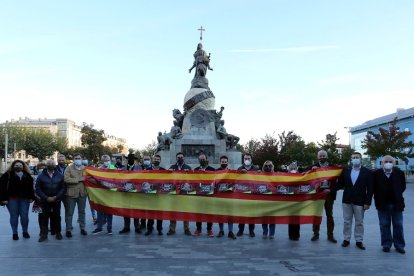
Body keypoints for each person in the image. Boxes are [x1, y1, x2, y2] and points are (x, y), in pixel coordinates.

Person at [331, 152, 373, 250]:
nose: (355, 159)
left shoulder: (367, 172)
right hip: (347, 200)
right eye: (353, 157)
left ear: (361, 159)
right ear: (351, 159)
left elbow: (370, 189)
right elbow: (340, 184)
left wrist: (368, 202)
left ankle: (359, 240)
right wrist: (330, 189)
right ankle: (346, 239)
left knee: (359, 222)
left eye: (357, 157)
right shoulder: (346, 170)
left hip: (360, 201)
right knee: (347, 221)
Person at [374, 155, 406, 254]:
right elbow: (374, 187)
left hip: (397, 204)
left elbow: (403, 187)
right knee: (384, 225)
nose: (388, 163)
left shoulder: (400, 173)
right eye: (386, 161)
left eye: (390, 161)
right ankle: (386, 244)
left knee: (398, 225)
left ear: (394, 163)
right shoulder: (376, 174)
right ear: (382, 163)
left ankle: (399, 245)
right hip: (382, 204)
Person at [0, 160, 35, 240]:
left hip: (25, 199)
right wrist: (3, 199)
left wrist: (31, 197)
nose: (18, 166)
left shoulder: (28, 176)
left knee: (24, 216)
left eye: (20, 165)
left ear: (23, 167)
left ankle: (25, 231)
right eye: (16, 165)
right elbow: (2, 188)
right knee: (14, 216)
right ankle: (14, 233)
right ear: (13, 166)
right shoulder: (7, 175)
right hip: (11, 199)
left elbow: (30, 188)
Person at [309, 150, 337, 243]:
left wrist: (332, 190)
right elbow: (303, 174)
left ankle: (330, 235)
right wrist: (311, 171)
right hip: (317, 194)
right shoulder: (313, 166)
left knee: (329, 215)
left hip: (329, 194)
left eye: (323, 155)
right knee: (316, 214)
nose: (322, 157)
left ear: (327, 156)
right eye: (320, 156)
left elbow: (338, 181)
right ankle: (315, 234)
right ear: (317, 157)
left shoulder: (333, 167)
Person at [35, 159, 65, 242]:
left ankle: (58, 232)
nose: (51, 165)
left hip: (56, 200)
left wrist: (56, 197)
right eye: (49, 163)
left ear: (55, 165)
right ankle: (44, 234)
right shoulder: (41, 176)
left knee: (57, 217)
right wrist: (45, 197)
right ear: (46, 165)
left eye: (52, 163)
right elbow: (38, 188)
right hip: (45, 200)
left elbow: (63, 188)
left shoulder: (60, 175)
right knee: (44, 217)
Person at [167, 152, 192, 236]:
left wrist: (189, 173)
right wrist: (168, 173)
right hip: (174, 193)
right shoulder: (172, 167)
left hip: (185, 193)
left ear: (184, 158)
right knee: (173, 211)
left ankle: (186, 229)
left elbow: (191, 180)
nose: (180, 158)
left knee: (186, 211)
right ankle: (172, 229)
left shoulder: (188, 168)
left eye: (181, 157)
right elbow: (168, 180)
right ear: (176, 158)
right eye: (178, 157)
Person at [63, 153, 88, 238]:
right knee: (69, 212)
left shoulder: (85, 168)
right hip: (71, 194)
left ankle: (82, 228)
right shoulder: (68, 168)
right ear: (73, 160)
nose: (77, 159)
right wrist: (79, 179)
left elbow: (88, 178)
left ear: (81, 159)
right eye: (76, 158)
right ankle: (68, 229)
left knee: (82, 212)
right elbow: (66, 179)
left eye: (79, 158)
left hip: (82, 193)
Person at [237, 153, 259, 237]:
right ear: (243, 159)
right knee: (242, 213)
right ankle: (241, 230)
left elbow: (259, 180)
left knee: (251, 213)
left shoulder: (256, 169)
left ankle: (251, 230)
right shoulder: (239, 168)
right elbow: (236, 180)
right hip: (242, 194)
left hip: (252, 194)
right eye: (245, 158)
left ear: (251, 159)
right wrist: (240, 173)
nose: (247, 160)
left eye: (248, 158)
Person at [119, 154, 142, 235]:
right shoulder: (122, 169)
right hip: (126, 193)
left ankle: (137, 227)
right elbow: (120, 180)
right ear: (127, 159)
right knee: (126, 210)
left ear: (134, 160)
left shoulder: (139, 168)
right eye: (129, 158)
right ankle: (126, 227)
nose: (130, 160)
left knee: (136, 210)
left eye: (132, 158)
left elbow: (141, 179)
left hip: (135, 193)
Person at [194, 153, 215, 237]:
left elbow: (215, 180)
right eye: (200, 159)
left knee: (209, 212)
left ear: (206, 159)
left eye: (203, 159)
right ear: (199, 160)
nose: (202, 160)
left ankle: (209, 229)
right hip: (199, 194)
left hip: (209, 194)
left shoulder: (212, 169)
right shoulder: (196, 169)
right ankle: (198, 229)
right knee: (198, 212)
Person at [92, 155, 115, 235]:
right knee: (100, 211)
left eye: (108, 160)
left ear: (110, 160)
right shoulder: (98, 170)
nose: (106, 162)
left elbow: (117, 180)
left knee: (109, 211)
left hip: (110, 193)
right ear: (101, 161)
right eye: (104, 161)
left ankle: (109, 228)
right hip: (101, 193)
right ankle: (99, 227)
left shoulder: (114, 169)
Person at [144, 154, 166, 236]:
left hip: (160, 194)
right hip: (150, 194)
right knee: (150, 212)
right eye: (155, 159)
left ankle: (159, 229)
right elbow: (144, 180)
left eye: (158, 159)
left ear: (160, 161)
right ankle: (149, 229)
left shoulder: (164, 170)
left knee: (160, 212)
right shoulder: (148, 170)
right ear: (152, 160)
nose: (156, 160)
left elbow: (166, 181)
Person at [215, 155, 237, 240]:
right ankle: (221, 231)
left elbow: (235, 181)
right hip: (219, 196)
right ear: (220, 162)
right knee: (220, 214)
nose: (224, 163)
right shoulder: (216, 171)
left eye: (225, 162)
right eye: (222, 162)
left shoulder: (231, 172)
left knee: (230, 214)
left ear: (227, 162)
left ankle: (230, 232)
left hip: (229, 196)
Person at [261, 160, 276, 240]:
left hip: (273, 200)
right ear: (263, 167)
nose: (268, 167)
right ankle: (265, 232)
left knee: (272, 218)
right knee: (264, 218)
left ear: (272, 166)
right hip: (263, 200)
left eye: (269, 166)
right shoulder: (260, 175)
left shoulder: (276, 175)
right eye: (266, 166)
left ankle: (272, 233)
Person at [287, 162, 301, 241]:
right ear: (289, 170)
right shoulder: (286, 177)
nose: (293, 170)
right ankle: (291, 235)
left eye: (294, 168)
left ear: (296, 169)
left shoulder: (301, 177)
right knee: (291, 218)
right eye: (291, 169)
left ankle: (297, 235)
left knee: (297, 218)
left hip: (298, 200)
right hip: (289, 200)